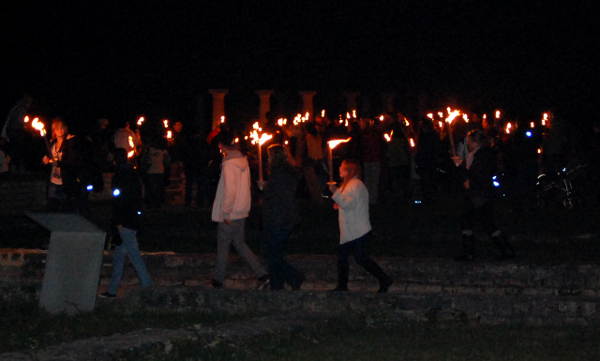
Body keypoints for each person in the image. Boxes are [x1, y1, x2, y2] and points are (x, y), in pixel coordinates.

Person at [210, 131, 269, 289]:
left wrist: (226, 212)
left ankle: (218, 279)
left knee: (223, 244)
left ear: (221, 146)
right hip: (241, 210)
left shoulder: (230, 164)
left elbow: (230, 190)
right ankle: (261, 273)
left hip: (231, 212)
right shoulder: (242, 161)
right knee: (239, 243)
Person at [328, 159, 393, 293]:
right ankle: (342, 285)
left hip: (358, 231)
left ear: (349, 171)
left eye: (342, 167)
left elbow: (348, 204)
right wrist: (338, 201)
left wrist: (335, 192)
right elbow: (345, 203)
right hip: (350, 231)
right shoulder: (347, 185)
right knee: (343, 258)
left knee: (361, 258)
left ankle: (384, 279)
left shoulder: (356, 185)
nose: (339, 169)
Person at [453, 130, 516, 262]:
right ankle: (471, 252)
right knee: (469, 222)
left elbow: (474, 175)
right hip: (477, 194)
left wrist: (460, 167)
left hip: (479, 194)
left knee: (485, 223)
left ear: (476, 143)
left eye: (469, 141)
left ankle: (505, 250)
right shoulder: (477, 154)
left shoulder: (482, 156)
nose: (467, 143)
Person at [100, 149, 152, 298]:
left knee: (134, 255)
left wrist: (118, 222)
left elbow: (120, 201)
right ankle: (112, 290)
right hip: (131, 220)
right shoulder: (133, 174)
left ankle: (148, 286)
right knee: (119, 257)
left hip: (125, 222)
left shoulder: (121, 176)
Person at [262, 144, 304, 291]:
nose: (267, 159)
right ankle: (277, 284)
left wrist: (266, 188)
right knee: (274, 253)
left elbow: (280, 197)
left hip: (279, 218)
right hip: (281, 217)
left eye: (269, 156)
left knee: (273, 255)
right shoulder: (282, 173)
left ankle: (294, 277)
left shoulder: (280, 174)